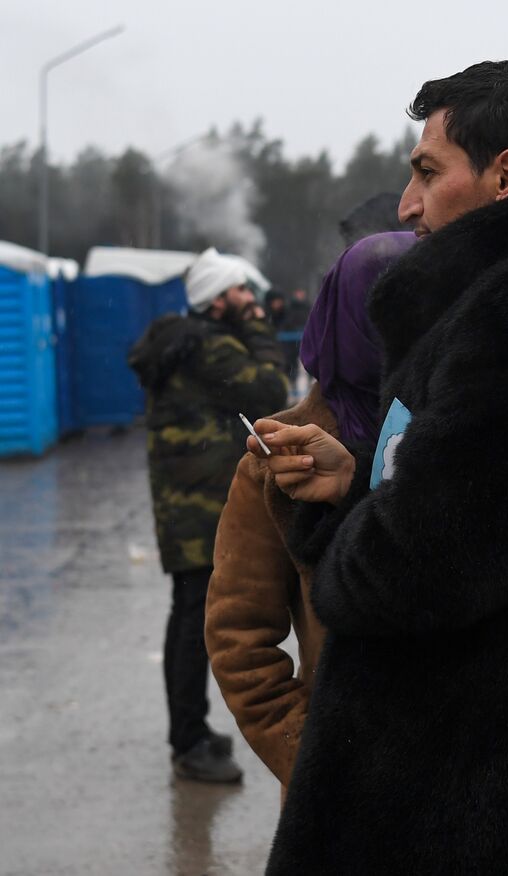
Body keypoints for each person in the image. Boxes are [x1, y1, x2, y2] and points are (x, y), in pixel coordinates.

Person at [250, 60, 508, 874]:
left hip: (476, 810)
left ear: (506, 175)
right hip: (472, 794)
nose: (407, 205)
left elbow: (421, 566)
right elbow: (469, 522)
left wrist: (348, 549)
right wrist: (352, 487)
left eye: (426, 171)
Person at [205, 232, 415, 790]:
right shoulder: (280, 460)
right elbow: (239, 638)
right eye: (387, 311)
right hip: (348, 809)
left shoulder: (467, 431)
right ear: (347, 321)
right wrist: (320, 769)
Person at [127, 247, 289, 783]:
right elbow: (271, 389)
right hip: (197, 504)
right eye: (241, 292)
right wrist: (261, 325)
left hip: (184, 498)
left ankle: (188, 730)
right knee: (196, 621)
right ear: (218, 300)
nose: (250, 299)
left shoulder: (187, 339)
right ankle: (190, 740)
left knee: (189, 616)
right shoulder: (210, 346)